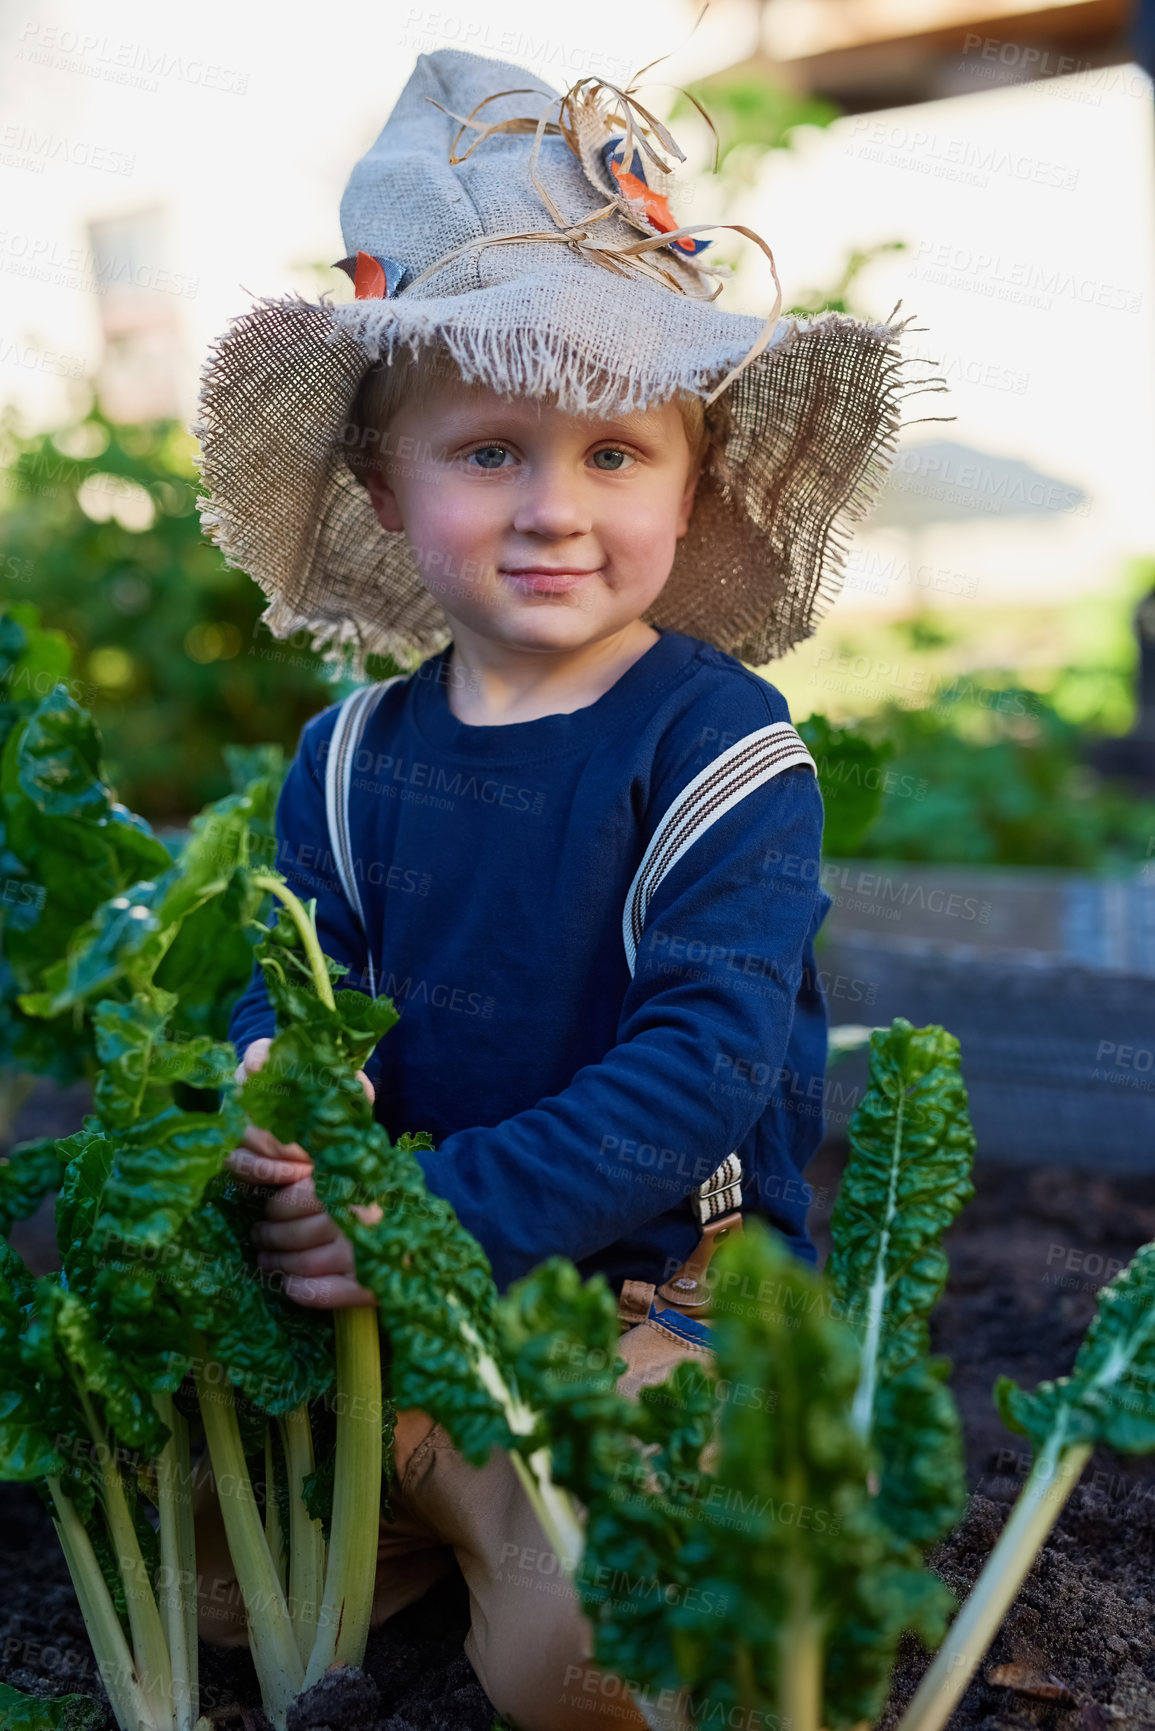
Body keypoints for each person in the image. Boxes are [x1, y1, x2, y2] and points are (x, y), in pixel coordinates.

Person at [193, 46, 936, 1731]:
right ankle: (450, 1504)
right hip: (397, 1323)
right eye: (488, 453)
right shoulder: (345, 758)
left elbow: (701, 1073)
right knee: (213, 1593)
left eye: (616, 454)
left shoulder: (723, 747)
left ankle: (535, 1541)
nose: (554, 510)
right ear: (389, 489)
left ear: (694, 479)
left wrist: (418, 1218)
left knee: (611, 1665)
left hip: (650, 1306)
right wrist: (271, 1091)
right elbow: (282, 986)